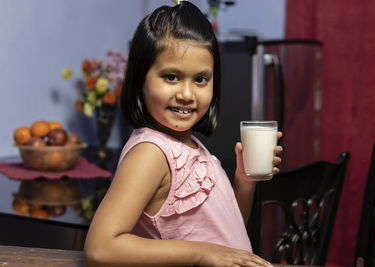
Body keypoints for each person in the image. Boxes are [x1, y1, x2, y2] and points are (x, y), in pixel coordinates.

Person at [84, 1, 282, 266]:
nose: (187, 95)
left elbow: (225, 235)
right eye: (172, 77)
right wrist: (201, 253)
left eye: (200, 79)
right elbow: (101, 248)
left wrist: (244, 182)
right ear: (141, 79)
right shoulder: (151, 153)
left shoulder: (193, 147)